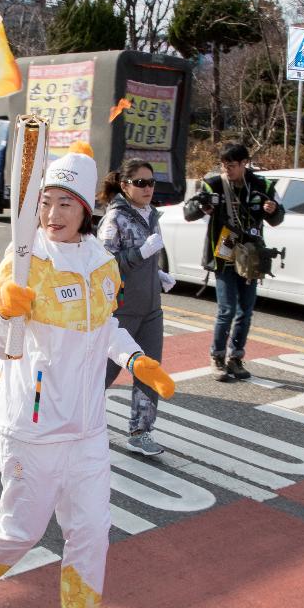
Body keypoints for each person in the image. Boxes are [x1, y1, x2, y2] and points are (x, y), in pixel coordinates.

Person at [0, 142, 176, 608]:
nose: (53, 215)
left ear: (86, 211)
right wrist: (6, 309)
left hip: (87, 428)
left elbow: (107, 330)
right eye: (46, 202)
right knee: (22, 529)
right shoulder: (24, 258)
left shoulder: (101, 263)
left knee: (92, 531)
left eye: (65, 205)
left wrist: (136, 359)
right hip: (32, 424)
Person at [183, 141, 282, 382]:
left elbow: (278, 218)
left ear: (245, 164)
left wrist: (273, 210)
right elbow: (188, 212)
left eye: (233, 165)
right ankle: (217, 357)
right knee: (226, 310)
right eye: (224, 164)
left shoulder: (262, 185)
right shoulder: (213, 184)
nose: (227, 169)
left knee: (245, 311)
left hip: (250, 257)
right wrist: (202, 206)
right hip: (223, 255)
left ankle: (236, 358)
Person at [97, 158, 172, 456]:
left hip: (152, 307)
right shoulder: (115, 218)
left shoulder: (152, 214)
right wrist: (141, 253)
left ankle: (141, 432)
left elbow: (146, 259)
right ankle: (71, 418)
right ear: (125, 185)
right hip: (123, 309)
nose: (147, 188)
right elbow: (104, 265)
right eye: (140, 183)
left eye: (151, 182)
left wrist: (158, 275)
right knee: (103, 374)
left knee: (150, 370)